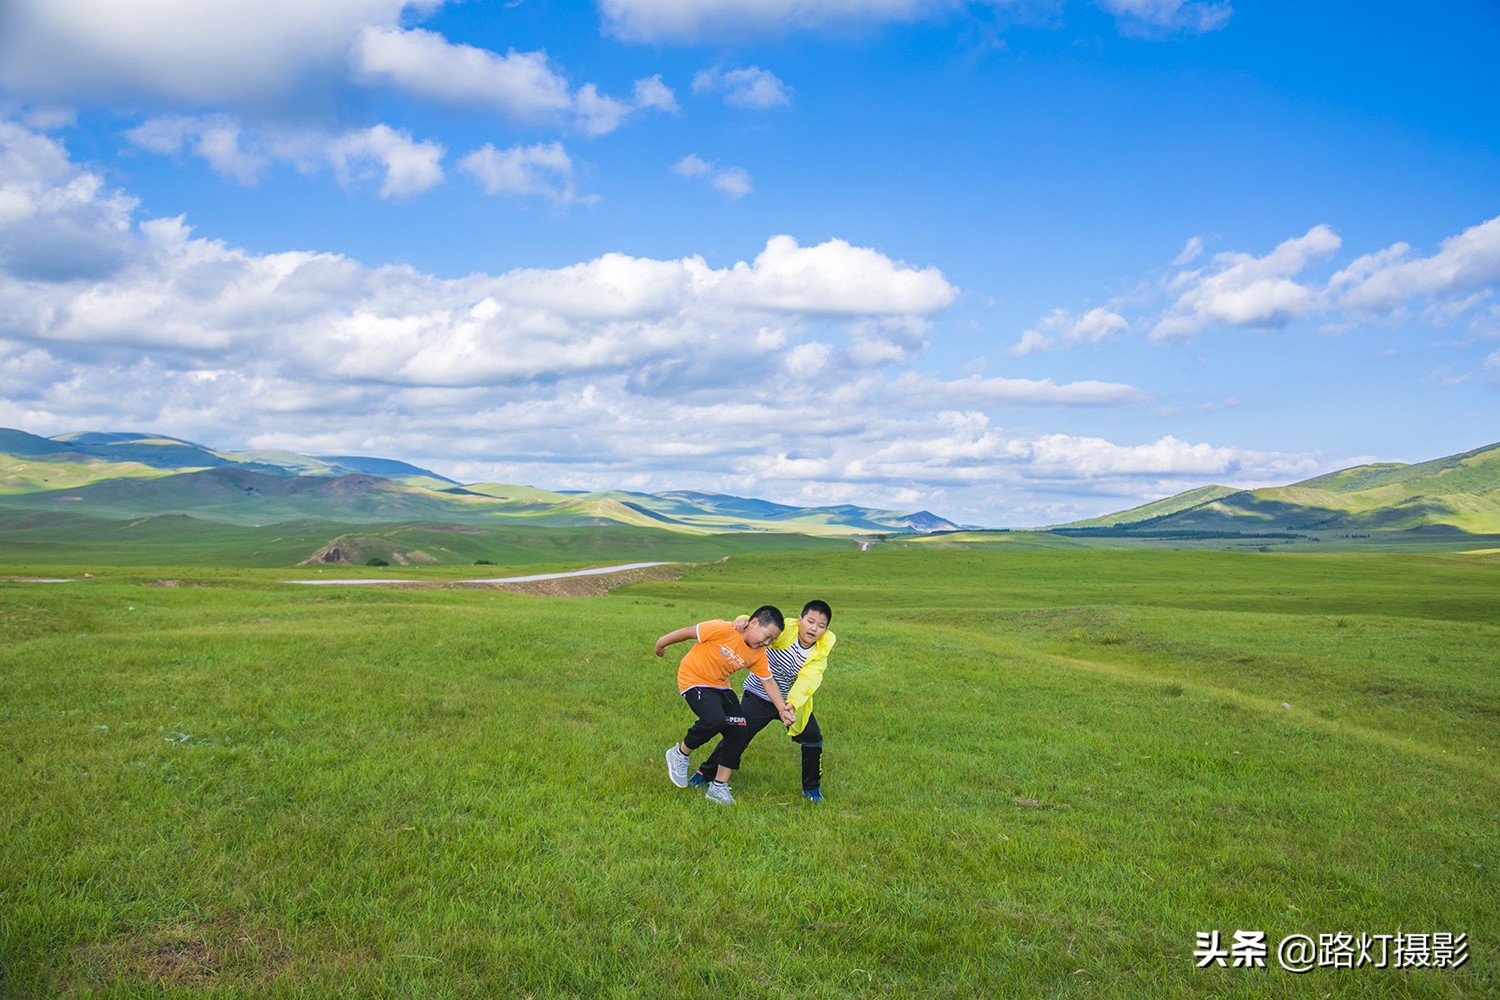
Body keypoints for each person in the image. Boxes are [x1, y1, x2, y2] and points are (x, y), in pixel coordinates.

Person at [690, 600, 836, 803]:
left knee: (813, 739)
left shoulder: (820, 653)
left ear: (826, 629)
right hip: (759, 694)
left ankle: (811, 788)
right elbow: (759, 626)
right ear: (800, 619)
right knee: (738, 733)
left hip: (790, 704)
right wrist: (742, 619)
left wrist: (790, 705)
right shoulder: (785, 630)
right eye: (810, 621)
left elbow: (808, 681)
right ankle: (705, 774)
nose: (814, 628)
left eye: (821, 626)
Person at [653, 606, 795, 805]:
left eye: (771, 640)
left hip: (719, 686)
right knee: (714, 720)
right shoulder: (722, 629)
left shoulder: (758, 653)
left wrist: (782, 709)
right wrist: (661, 643)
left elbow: (768, 681)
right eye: (766, 636)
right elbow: (687, 633)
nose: (766, 642)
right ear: (753, 623)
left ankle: (718, 787)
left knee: (739, 730)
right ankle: (679, 754)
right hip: (693, 679)